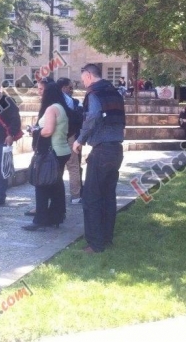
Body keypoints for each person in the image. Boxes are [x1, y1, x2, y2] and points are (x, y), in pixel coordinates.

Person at [72, 64, 125, 254]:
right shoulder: (115, 93)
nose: (83, 83)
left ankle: (95, 244)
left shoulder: (94, 93)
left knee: (92, 198)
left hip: (102, 150)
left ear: (88, 75)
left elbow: (93, 116)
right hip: (116, 149)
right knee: (108, 196)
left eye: (83, 79)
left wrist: (80, 140)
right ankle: (106, 238)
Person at [22, 82, 71, 231]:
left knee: (42, 185)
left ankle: (40, 220)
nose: (39, 92)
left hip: (51, 153)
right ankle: (56, 216)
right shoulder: (60, 107)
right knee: (56, 186)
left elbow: (48, 130)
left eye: (41, 90)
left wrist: (35, 131)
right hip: (61, 151)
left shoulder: (51, 109)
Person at [57, 77, 83, 204]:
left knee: (58, 168)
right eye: (70, 87)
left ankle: (57, 195)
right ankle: (76, 196)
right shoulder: (70, 101)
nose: (72, 90)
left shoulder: (52, 100)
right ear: (64, 88)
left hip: (56, 138)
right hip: (70, 136)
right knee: (73, 167)